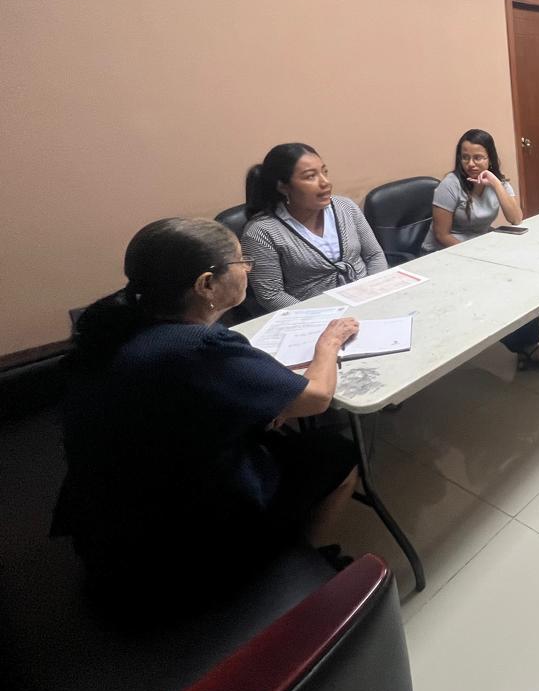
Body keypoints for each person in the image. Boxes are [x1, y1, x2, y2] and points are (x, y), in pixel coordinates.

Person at [53, 218, 361, 611]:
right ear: (206, 285)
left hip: (109, 520)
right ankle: (287, 562)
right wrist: (329, 342)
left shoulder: (117, 324)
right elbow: (316, 397)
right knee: (337, 452)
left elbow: (180, 408)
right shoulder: (196, 346)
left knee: (274, 430)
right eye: (241, 261)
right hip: (175, 542)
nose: (247, 268)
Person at [424, 129, 539, 370]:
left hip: (480, 247)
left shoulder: (497, 182)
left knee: (518, 279)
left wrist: (495, 183)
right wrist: (476, 257)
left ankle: (528, 343)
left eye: (478, 157)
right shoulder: (450, 185)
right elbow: (441, 235)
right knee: (496, 288)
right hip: (446, 252)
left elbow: (516, 218)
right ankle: (524, 346)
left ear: (490, 159)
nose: (471, 164)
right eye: (465, 157)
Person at [240, 143, 387, 312]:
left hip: (368, 300)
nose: (325, 182)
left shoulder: (345, 207)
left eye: (324, 172)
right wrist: (323, 316)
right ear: (283, 186)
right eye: (310, 176)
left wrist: (374, 295)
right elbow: (271, 295)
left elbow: (374, 255)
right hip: (313, 314)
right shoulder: (261, 232)